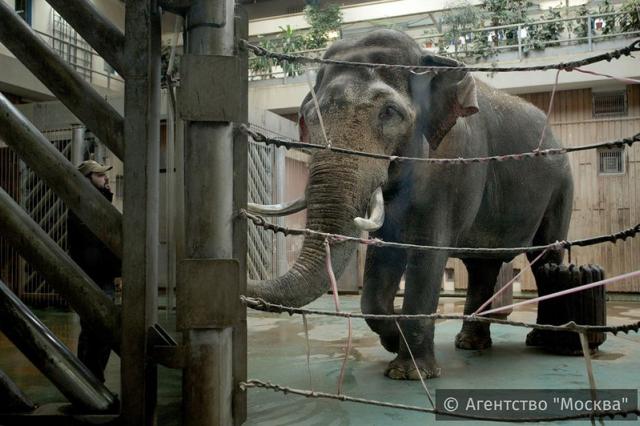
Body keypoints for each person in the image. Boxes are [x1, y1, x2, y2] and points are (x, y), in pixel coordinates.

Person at [66, 159, 121, 383]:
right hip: (93, 279)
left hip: (102, 278)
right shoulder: (83, 208)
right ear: (86, 179)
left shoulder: (98, 205)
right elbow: (97, 248)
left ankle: (94, 381)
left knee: (102, 333)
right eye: (99, 175)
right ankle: (90, 382)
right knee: (94, 333)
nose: (106, 178)